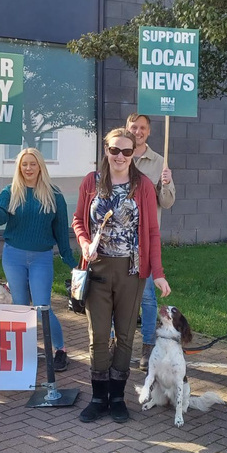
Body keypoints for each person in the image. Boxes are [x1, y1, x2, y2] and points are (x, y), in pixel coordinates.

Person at [72, 127, 171, 423]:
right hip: (98, 269)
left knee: (125, 336)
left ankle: (117, 396)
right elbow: (79, 219)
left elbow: (152, 231)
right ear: (106, 149)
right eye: (114, 150)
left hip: (131, 271)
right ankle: (98, 396)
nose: (120, 156)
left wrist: (158, 273)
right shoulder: (92, 181)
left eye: (126, 151)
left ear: (133, 153)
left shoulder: (142, 185)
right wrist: (85, 242)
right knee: (98, 336)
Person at [0, 148, 76, 372]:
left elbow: (61, 229)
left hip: (41, 257)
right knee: (21, 306)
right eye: (24, 164)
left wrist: (69, 258)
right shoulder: (10, 191)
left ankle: (60, 350)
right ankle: (25, 349)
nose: (28, 168)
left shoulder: (54, 194)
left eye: (32, 164)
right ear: (19, 167)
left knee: (43, 306)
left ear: (40, 166)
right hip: (13, 255)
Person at [126, 113, 176, 371]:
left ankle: (148, 346)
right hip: (118, 240)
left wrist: (165, 185)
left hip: (144, 239)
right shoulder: (117, 154)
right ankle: (117, 344)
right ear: (127, 128)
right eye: (133, 126)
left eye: (142, 127)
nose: (138, 131)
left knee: (146, 298)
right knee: (117, 295)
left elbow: (166, 203)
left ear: (149, 131)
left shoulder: (159, 162)